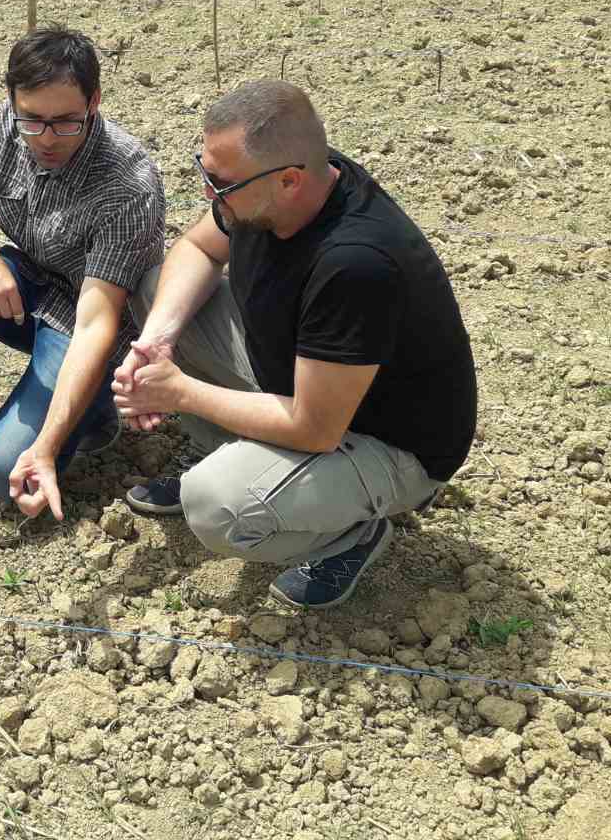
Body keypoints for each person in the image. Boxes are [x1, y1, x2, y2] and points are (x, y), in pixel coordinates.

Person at [108, 79, 477, 608]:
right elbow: (196, 247)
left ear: (288, 180)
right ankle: (233, 452)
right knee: (157, 291)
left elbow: (315, 426)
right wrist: (159, 341)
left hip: (385, 444)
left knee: (217, 504)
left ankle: (352, 532)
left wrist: (178, 393)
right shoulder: (283, 188)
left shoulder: (356, 262)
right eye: (205, 173)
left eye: (222, 184)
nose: (210, 195)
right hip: (304, 381)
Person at [0, 26, 165, 521]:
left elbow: (96, 324)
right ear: (14, 101)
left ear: (95, 102)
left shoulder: (128, 183)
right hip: (31, 280)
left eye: (66, 122)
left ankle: (94, 406)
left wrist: (43, 447)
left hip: (88, 321)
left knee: (4, 472)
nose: (46, 138)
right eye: (32, 120)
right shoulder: (9, 123)